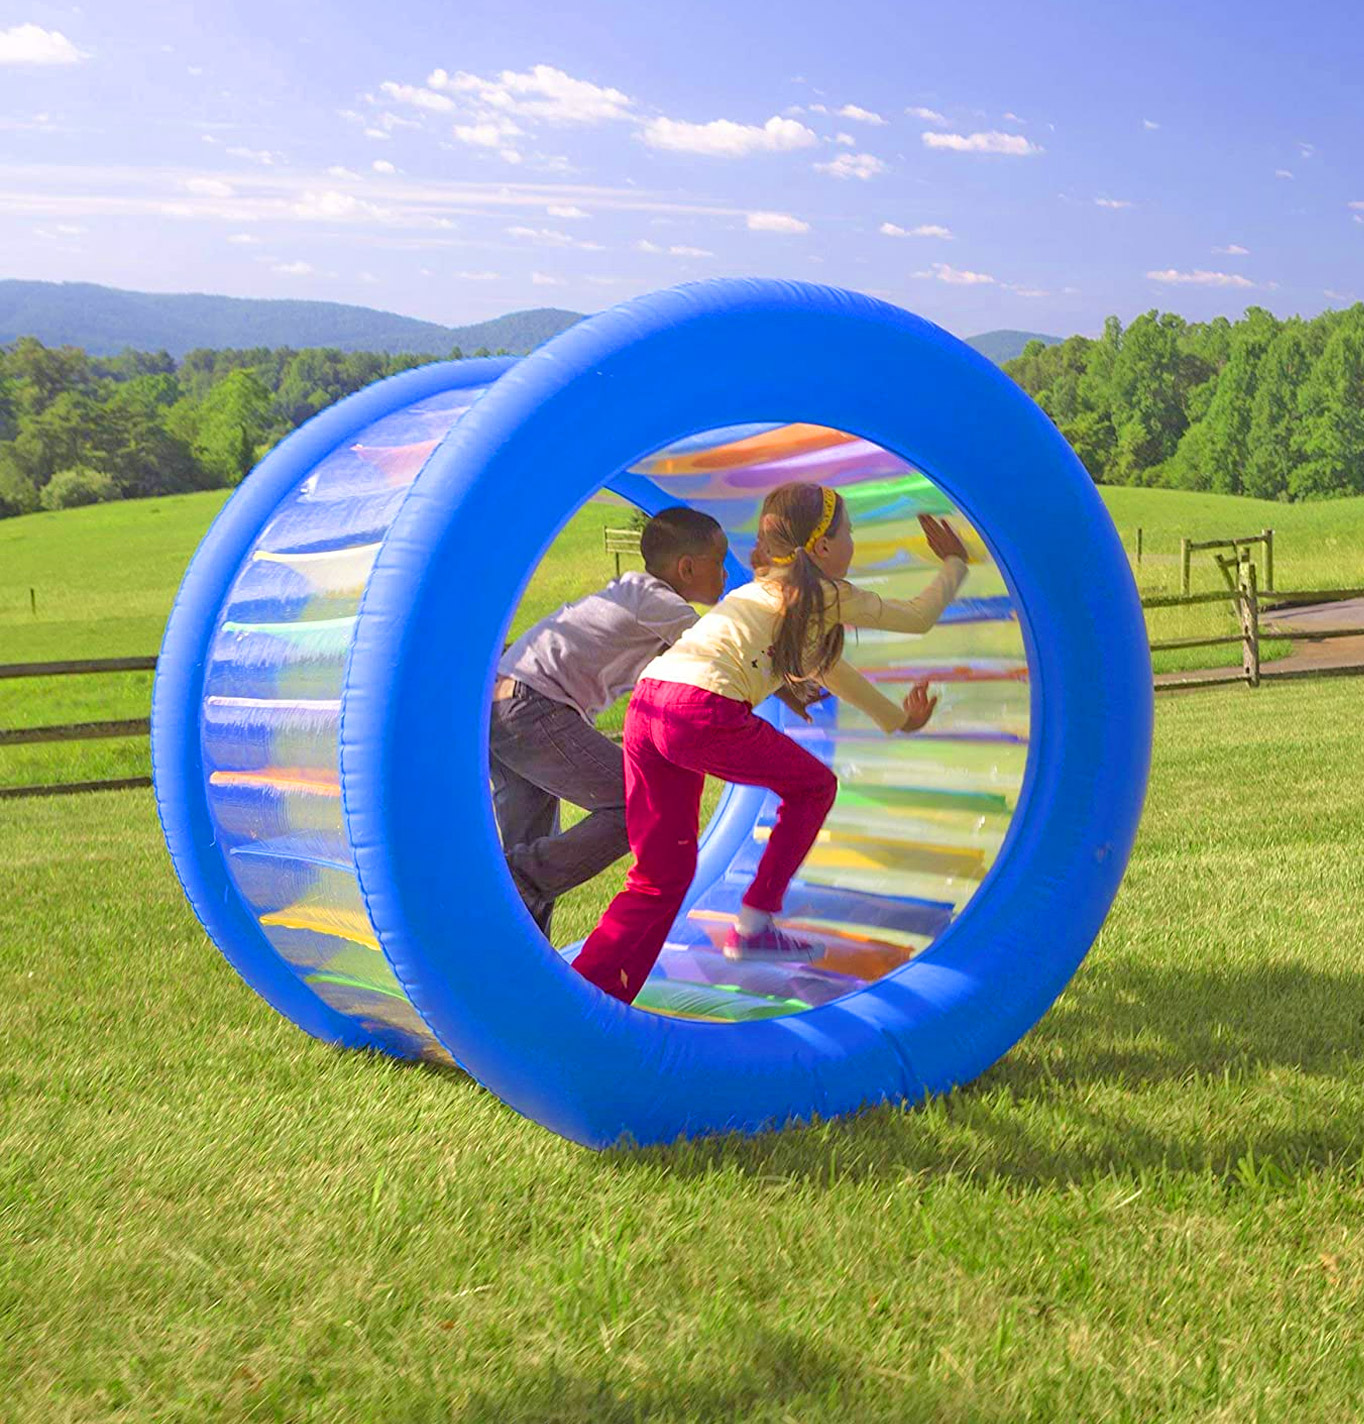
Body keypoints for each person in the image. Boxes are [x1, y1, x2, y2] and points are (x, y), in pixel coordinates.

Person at [572, 482, 970, 1004]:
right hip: (700, 710)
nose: (853, 542)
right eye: (848, 532)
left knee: (661, 875)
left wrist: (899, 720)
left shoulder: (768, 592)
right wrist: (955, 564)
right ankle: (755, 922)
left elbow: (833, 671)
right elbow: (917, 618)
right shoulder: (824, 594)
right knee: (814, 788)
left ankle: (586, 994)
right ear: (823, 547)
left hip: (648, 707)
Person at [490, 506, 728, 937]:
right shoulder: (659, 601)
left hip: (504, 706)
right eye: (721, 562)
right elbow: (719, 654)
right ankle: (510, 881)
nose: (728, 574)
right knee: (637, 803)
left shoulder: (637, 598)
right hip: (532, 704)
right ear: (687, 567)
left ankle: (514, 959)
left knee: (528, 841)